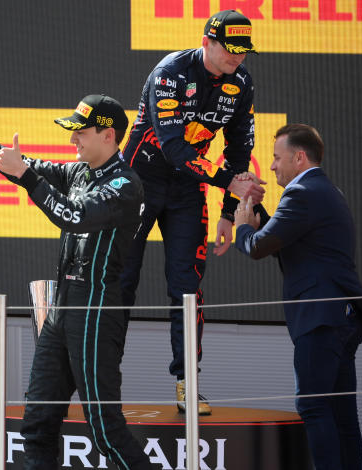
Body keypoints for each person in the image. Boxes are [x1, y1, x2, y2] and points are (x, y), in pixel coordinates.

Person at [0, 95, 152, 468]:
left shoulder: (126, 185)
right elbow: (19, 165)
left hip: (95, 309)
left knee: (106, 431)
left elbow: (73, 216)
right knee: (37, 424)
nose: (73, 140)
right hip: (62, 308)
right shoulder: (80, 172)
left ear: (109, 136)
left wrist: (25, 176)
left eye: (80, 132)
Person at [120, 9, 265, 414]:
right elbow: (172, 146)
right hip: (140, 181)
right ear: (207, 42)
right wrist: (226, 181)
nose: (238, 58)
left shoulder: (242, 83)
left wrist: (228, 212)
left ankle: (188, 382)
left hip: (188, 189)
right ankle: (102, 382)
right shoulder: (171, 72)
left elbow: (239, 151)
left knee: (188, 287)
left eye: (243, 51)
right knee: (122, 282)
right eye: (230, 50)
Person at [234, 123, 362, 470]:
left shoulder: (303, 194)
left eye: (276, 158)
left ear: (299, 157)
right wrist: (262, 216)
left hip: (321, 319)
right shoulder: (325, 191)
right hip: (340, 316)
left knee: (314, 406)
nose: (271, 167)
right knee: (340, 413)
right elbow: (291, 241)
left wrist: (241, 226)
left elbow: (258, 247)